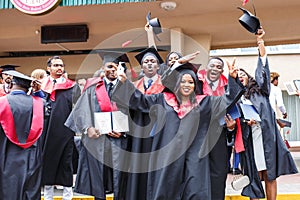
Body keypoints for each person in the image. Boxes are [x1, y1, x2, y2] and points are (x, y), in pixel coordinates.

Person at [112, 57, 244, 199]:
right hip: (167, 156)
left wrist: (232, 78)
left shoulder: (204, 103)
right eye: (182, 81)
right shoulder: (162, 100)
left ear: (195, 85)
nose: (186, 85)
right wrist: (124, 82)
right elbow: (139, 100)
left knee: (195, 190)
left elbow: (228, 98)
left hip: (194, 157)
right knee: (166, 190)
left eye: (190, 82)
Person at [237, 28, 298, 200]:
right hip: (250, 139)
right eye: (238, 75)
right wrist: (244, 123)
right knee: (253, 175)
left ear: (249, 78)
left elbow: (263, 68)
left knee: (270, 174)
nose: (241, 76)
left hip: (266, 137)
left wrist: (260, 43)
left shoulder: (260, 91)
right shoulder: (236, 98)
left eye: (243, 74)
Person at [64, 51, 130, 200]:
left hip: (119, 141)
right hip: (97, 141)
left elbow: (135, 114)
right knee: (97, 179)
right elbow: (81, 110)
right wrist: (88, 128)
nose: (112, 70)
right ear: (102, 68)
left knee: (120, 180)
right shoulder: (93, 87)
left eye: (116, 67)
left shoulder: (127, 88)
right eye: (109, 66)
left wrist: (124, 132)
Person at [198, 56, 239, 199]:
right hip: (198, 134)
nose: (215, 68)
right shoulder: (197, 83)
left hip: (219, 134)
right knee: (197, 170)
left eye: (218, 67)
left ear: (222, 70)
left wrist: (231, 128)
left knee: (218, 172)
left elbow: (233, 106)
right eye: (212, 66)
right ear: (206, 68)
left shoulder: (228, 86)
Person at [0, 70, 46, 199]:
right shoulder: (39, 103)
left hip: (6, 155)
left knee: (8, 190)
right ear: (29, 87)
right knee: (31, 190)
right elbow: (48, 112)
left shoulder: (1, 102)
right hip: (32, 155)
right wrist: (38, 92)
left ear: (11, 84)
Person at [41, 55, 81, 200]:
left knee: (66, 164)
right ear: (48, 68)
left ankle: (67, 197)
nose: (59, 68)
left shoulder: (72, 86)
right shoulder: (41, 86)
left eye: (61, 65)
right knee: (48, 163)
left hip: (65, 131)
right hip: (46, 131)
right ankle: (48, 196)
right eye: (56, 65)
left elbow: (78, 109)